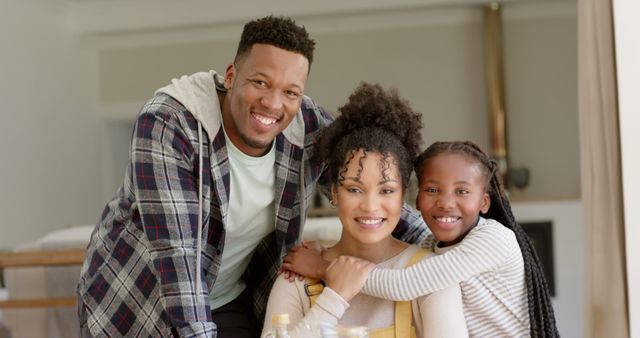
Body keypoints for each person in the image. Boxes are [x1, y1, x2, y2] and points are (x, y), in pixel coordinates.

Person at [76, 15, 426, 338]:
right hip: (134, 302)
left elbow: (375, 193)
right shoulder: (170, 124)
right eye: (260, 82)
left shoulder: (307, 127)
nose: (274, 104)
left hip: (229, 300)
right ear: (230, 76)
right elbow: (177, 257)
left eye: (290, 91)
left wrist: (448, 239)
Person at [284, 141, 559, 337]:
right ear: (416, 200)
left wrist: (323, 267)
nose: (446, 203)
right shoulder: (429, 247)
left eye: (462, 192)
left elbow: (403, 283)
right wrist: (323, 248)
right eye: (432, 189)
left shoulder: (493, 239)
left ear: (484, 202)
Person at [262, 83, 468, 338]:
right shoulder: (298, 278)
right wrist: (334, 297)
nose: (370, 206)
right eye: (354, 189)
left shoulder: (430, 275)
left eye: (386, 190)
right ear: (334, 192)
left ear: (403, 194)